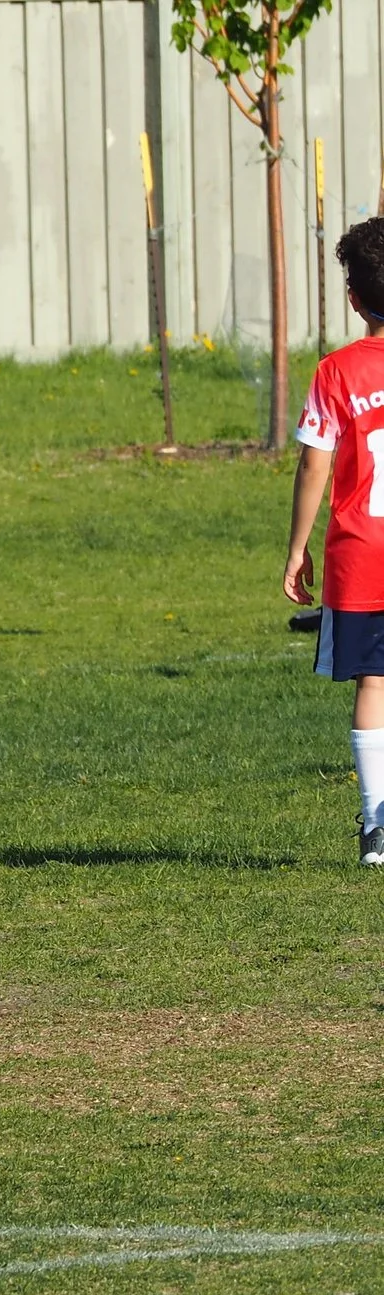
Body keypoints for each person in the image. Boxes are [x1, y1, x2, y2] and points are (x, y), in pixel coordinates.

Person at [285, 215, 384, 865]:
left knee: (373, 682)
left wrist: (297, 547)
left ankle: (376, 830)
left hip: (361, 554)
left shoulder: (336, 372)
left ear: (354, 299)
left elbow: (315, 462)